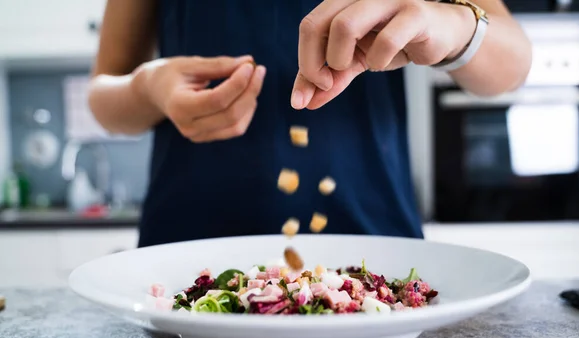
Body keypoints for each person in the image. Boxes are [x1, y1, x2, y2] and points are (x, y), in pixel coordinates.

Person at [88, 0, 531, 247]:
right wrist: (149, 88)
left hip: (373, 248)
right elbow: (104, 95)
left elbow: (513, 64)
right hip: (185, 255)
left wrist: (453, 25)